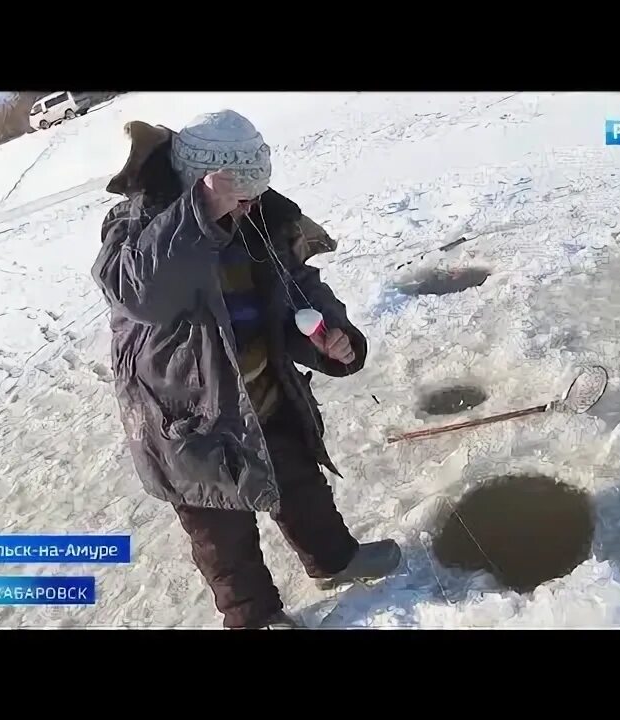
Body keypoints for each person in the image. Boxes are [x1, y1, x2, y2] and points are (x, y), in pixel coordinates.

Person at [92, 111, 401, 629]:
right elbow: (137, 292)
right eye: (240, 197)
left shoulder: (264, 220)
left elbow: (297, 286)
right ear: (200, 183)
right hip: (186, 418)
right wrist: (196, 217)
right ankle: (253, 616)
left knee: (301, 485)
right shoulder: (137, 222)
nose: (251, 206)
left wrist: (332, 336)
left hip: (263, 393)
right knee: (222, 533)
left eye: (257, 192)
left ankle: (332, 560)